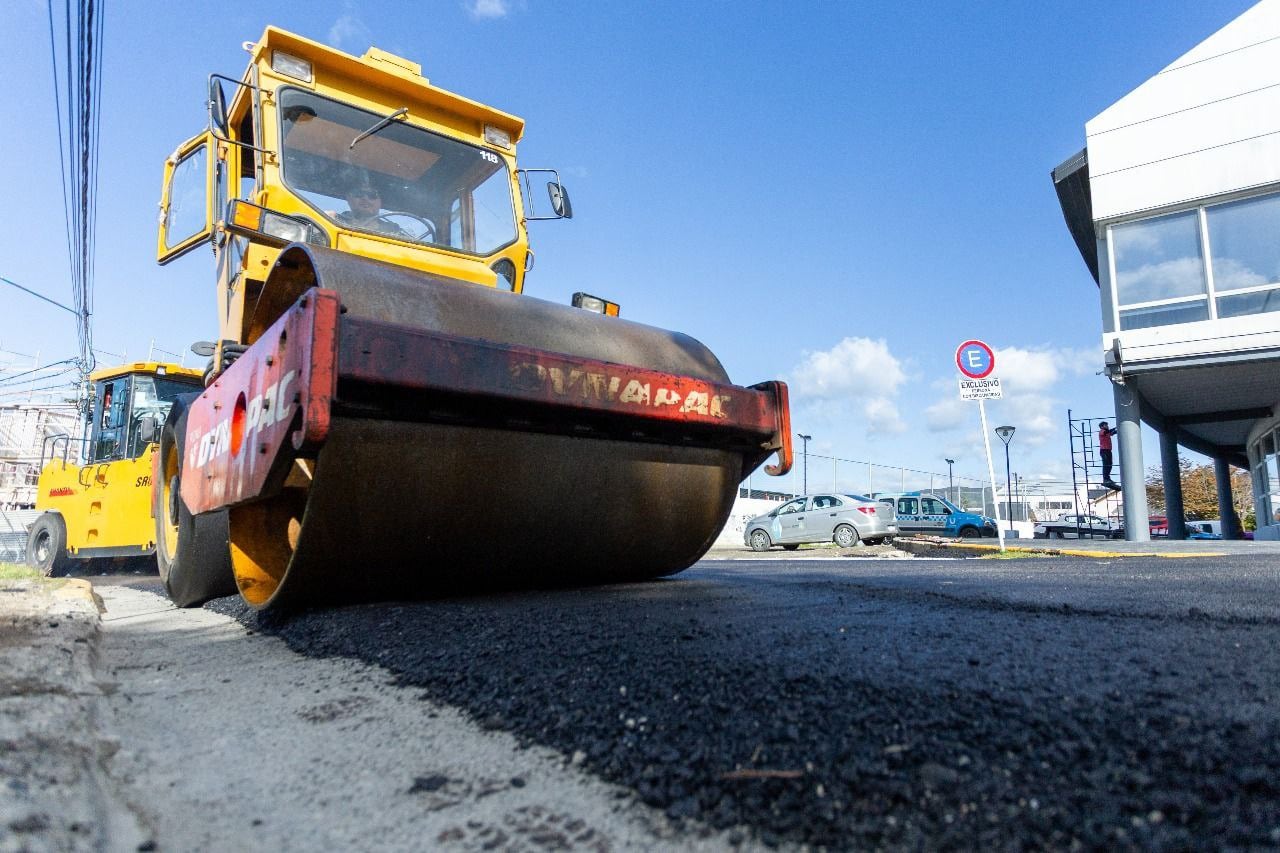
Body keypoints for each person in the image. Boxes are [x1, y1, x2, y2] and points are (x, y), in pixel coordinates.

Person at [335, 176, 408, 238]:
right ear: (349, 198)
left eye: (372, 195)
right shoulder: (334, 221)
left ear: (380, 201)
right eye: (358, 193)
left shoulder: (395, 231)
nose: (365, 198)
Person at [1098, 421, 1120, 491]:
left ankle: (1108, 478)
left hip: (1108, 450)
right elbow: (1107, 432)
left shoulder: (1107, 432)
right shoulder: (1102, 431)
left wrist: (1118, 429)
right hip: (1104, 450)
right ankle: (1105, 479)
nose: (1107, 426)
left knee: (1110, 464)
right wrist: (1115, 428)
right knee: (1106, 465)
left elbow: (1112, 433)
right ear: (1102, 426)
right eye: (1105, 425)